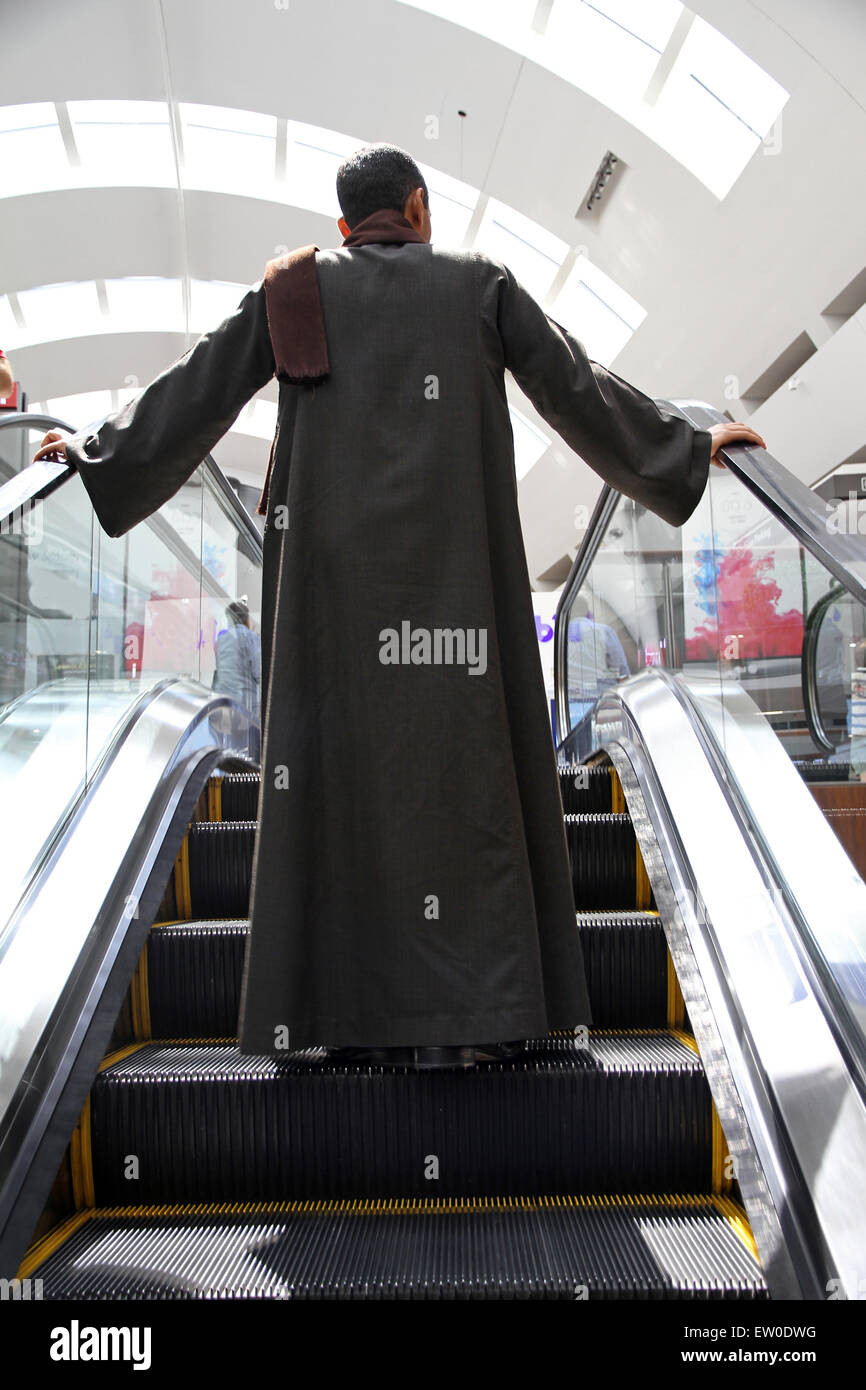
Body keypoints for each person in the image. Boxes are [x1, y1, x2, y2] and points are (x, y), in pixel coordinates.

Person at [33, 143, 766, 1070]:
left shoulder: (293, 289)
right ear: (418, 209)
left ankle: (340, 1014)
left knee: (339, 783)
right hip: (459, 581)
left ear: (345, 226)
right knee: (467, 779)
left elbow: (202, 385)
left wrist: (98, 454)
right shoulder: (479, 286)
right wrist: (689, 450)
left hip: (332, 594)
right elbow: (574, 389)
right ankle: (488, 1010)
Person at [213, 597, 262, 760]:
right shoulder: (251, 638)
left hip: (225, 706)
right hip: (246, 707)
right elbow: (258, 672)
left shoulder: (220, 640)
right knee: (250, 754)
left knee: (231, 751)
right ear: (246, 619)